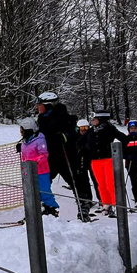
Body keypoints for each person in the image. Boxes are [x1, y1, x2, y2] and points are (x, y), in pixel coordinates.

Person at [35, 92, 91, 220]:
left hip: (66, 156)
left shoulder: (63, 117)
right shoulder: (42, 119)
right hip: (50, 156)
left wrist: (63, 136)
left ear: (48, 105)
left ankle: (83, 205)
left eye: (40, 105)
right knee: (44, 181)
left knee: (75, 180)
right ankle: (48, 207)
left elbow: (73, 134)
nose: (38, 107)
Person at [83, 109, 128, 218]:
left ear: (100, 119)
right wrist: (85, 150)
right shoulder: (91, 131)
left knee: (110, 184)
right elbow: (80, 141)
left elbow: (124, 139)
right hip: (95, 161)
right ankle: (106, 205)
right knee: (101, 185)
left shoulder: (109, 129)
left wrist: (117, 150)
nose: (92, 121)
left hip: (108, 159)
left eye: (94, 119)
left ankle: (116, 205)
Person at [18, 117, 59, 217]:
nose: (21, 132)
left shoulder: (39, 140)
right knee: (31, 192)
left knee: (44, 190)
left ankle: (51, 208)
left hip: (41, 171)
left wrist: (33, 163)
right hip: (29, 172)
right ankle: (36, 210)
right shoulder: (25, 141)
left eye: (22, 130)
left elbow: (44, 155)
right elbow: (24, 156)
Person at [76, 119, 102, 211]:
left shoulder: (91, 136)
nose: (83, 130)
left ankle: (101, 198)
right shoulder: (76, 137)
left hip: (91, 160)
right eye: (81, 128)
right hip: (81, 161)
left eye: (85, 128)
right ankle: (87, 199)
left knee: (96, 179)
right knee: (84, 181)